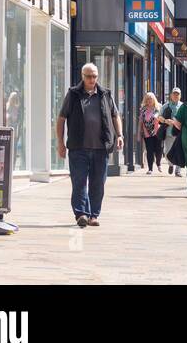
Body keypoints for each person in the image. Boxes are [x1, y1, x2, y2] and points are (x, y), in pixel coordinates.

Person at [56, 62, 124, 227]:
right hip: (78, 147)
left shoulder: (105, 94)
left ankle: (93, 215)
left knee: (98, 183)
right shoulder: (73, 94)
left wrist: (120, 135)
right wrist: (60, 142)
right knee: (79, 182)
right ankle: (81, 213)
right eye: (88, 76)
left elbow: (115, 116)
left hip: (101, 148)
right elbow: (61, 119)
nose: (92, 79)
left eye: (94, 76)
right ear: (82, 76)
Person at [160, 88, 185, 177]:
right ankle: (170, 164)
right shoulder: (166, 106)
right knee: (167, 151)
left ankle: (178, 171)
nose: (175, 96)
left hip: (179, 133)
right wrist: (166, 121)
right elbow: (159, 117)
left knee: (179, 152)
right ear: (171, 95)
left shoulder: (183, 106)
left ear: (180, 96)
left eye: (177, 94)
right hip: (168, 132)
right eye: (174, 94)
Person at [140, 92, 163, 174]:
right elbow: (141, 121)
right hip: (147, 132)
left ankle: (158, 163)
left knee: (159, 149)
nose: (149, 100)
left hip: (157, 132)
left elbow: (162, 119)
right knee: (149, 150)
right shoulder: (143, 109)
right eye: (148, 99)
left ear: (154, 99)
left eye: (151, 99)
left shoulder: (159, 107)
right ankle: (150, 168)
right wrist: (140, 131)